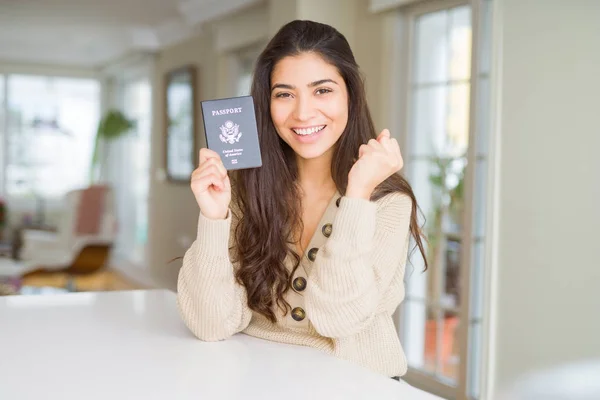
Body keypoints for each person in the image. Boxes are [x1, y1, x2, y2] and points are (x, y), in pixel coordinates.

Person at [176, 19, 427, 380]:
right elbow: (210, 324)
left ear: (351, 95)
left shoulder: (388, 201)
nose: (303, 113)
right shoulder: (244, 189)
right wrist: (214, 220)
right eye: (284, 94)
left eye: (322, 90)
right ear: (267, 103)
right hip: (257, 376)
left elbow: (338, 319)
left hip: (356, 383)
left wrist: (357, 197)